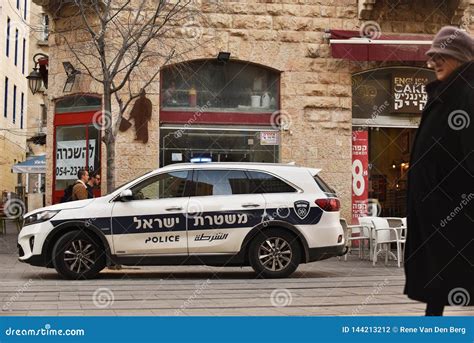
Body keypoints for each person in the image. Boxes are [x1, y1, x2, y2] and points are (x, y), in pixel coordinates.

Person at [405, 26, 474, 316]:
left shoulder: (467, 96)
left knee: (452, 282)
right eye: (433, 56)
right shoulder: (444, 95)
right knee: (439, 286)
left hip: (458, 218)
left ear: (462, 58)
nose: (434, 62)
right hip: (439, 217)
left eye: (443, 56)